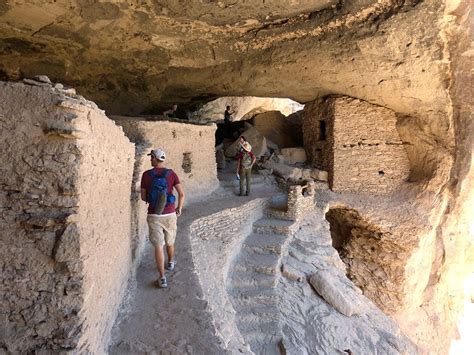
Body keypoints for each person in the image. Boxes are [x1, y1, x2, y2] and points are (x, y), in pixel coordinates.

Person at [141, 148, 185, 288]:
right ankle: (171, 262)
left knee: (158, 246)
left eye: (151, 157)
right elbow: (181, 194)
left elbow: (143, 197)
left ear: (155, 158)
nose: (150, 159)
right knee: (170, 241)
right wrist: (179, 208)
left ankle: (162, 277)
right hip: (170, 213)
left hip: (154, 214)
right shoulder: (171, 174)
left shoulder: (146, 175)